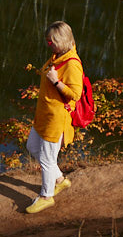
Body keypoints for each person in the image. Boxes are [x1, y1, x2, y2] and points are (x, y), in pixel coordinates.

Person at [25, 20, 83, 214]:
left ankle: (46, 196)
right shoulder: (57, 56)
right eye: (47, 40)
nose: (47, 44)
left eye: (51, 41)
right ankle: (59, 180)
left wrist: (56, 81)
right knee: (32, 146)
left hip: (57, 118)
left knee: (47, 159)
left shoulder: (72, 64)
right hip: (44, 115)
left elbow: (76, 94)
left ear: (62, 40)